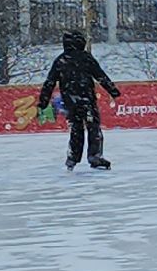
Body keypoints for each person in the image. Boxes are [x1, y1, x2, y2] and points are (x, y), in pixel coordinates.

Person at [37, 30, 121, 171]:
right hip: (87, 98)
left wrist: (43, 101)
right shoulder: (86, 58)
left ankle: (73, 157)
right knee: (93, 126)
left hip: (70, 100)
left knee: (76, 128)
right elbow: (100, 76)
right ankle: (94, 156)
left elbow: (49, 82)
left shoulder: (60, 60)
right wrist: (113, 91)